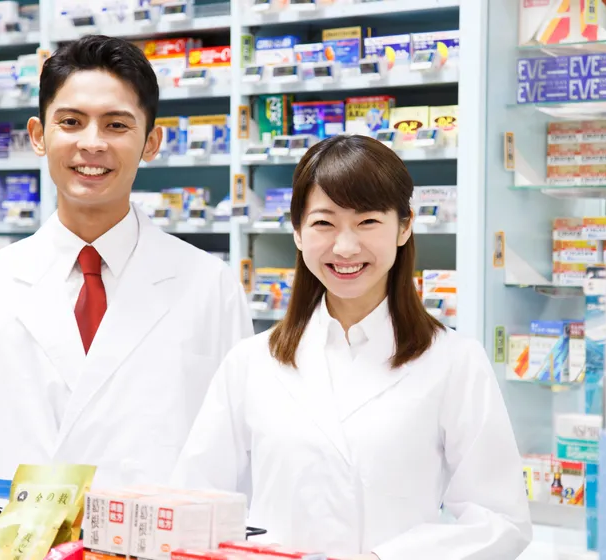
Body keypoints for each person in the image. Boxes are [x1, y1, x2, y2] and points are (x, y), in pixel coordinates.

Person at [0, 35, 253, 528]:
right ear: (38, 135)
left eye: (117, 125)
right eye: (71, 122)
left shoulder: (211, 287)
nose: (92, 143)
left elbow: (239, 460)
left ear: (151, 142)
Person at [171, 135, 532, 559]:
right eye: (324, 223)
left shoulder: (454, 361)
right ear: (297, 232)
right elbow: (194, 504)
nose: (345, 247)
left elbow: (499, 520)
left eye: (368, 222)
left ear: (404, 227)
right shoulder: (251, 362)